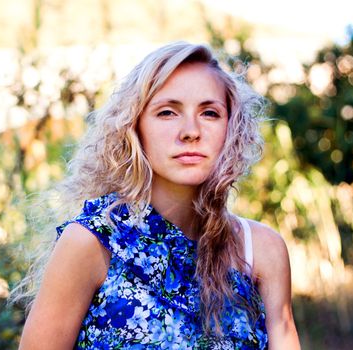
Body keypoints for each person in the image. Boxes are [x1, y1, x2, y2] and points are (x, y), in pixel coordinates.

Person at [18, 41, 300, 349]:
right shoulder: (92, 243)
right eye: (167, 112)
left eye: (209, 113)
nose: (191, 131)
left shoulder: (260, 250)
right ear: (134, 128)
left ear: (231, 128)